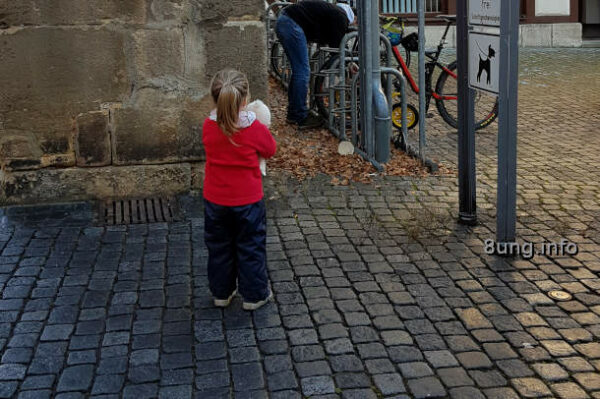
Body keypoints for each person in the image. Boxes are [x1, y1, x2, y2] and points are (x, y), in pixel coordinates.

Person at [202, 69, 277, 311]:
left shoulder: (208, 126)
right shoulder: (253, 128)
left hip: (215, 199)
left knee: (220, 247)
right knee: (250, 246)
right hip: (248, 199)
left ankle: (222, 293)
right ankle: (254, 295)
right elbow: (270, 149)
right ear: (245, 100)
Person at [276, 0, 355, 129]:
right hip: (291, 24)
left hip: (285, 21)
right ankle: (299, 116)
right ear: (349, 18)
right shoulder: (340, 16)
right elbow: (338, 48)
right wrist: (348, 64)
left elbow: (334, 44)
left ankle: (294, 112)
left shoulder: (332, 11)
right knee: (302, 72)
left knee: (298, 71)